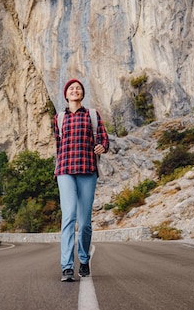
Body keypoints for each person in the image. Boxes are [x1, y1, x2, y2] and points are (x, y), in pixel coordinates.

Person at [53, 78, 109, 282]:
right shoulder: (59, 118)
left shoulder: (92, 115)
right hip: (65, 170)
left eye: (78, 88)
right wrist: (58, 168)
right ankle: (67, 266)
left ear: (82, 94)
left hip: (87, 170)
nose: (75, 90)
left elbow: (104, 139)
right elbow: (58, 145)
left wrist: (102, 146)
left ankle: (84, 259)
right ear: (66, 95)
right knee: (68, 217)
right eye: (71, 89)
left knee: (84, 222)